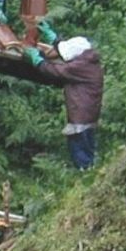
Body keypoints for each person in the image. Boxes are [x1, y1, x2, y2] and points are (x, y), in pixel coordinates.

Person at [23, 36, 104, 170]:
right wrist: (54, 38)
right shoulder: (89, 61)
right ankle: (90, 171)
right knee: (87, 144)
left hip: (81, 115)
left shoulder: (79, 66)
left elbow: (56, 71)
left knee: (79, 148)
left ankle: (85, 172)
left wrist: (38, 61)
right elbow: (65, 52)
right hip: (88, 113)